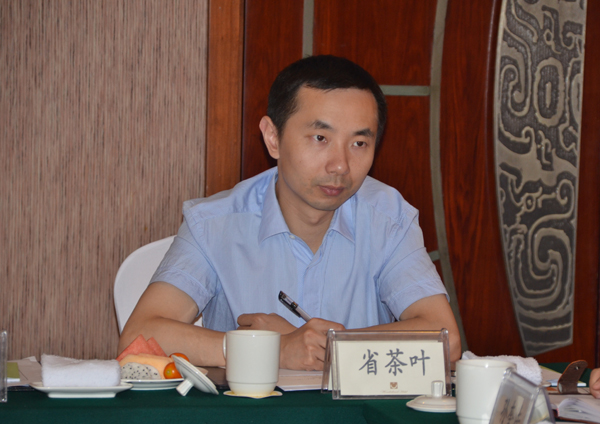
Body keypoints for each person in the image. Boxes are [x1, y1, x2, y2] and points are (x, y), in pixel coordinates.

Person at [118, 55, 461, 370]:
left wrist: (328, 347)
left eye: (359, 143)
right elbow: (140, 335)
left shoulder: (389, 219)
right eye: (320, 138)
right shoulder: (213, 224)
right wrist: (269, 349)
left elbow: (446, 340)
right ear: (273, 138)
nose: (340, 165)